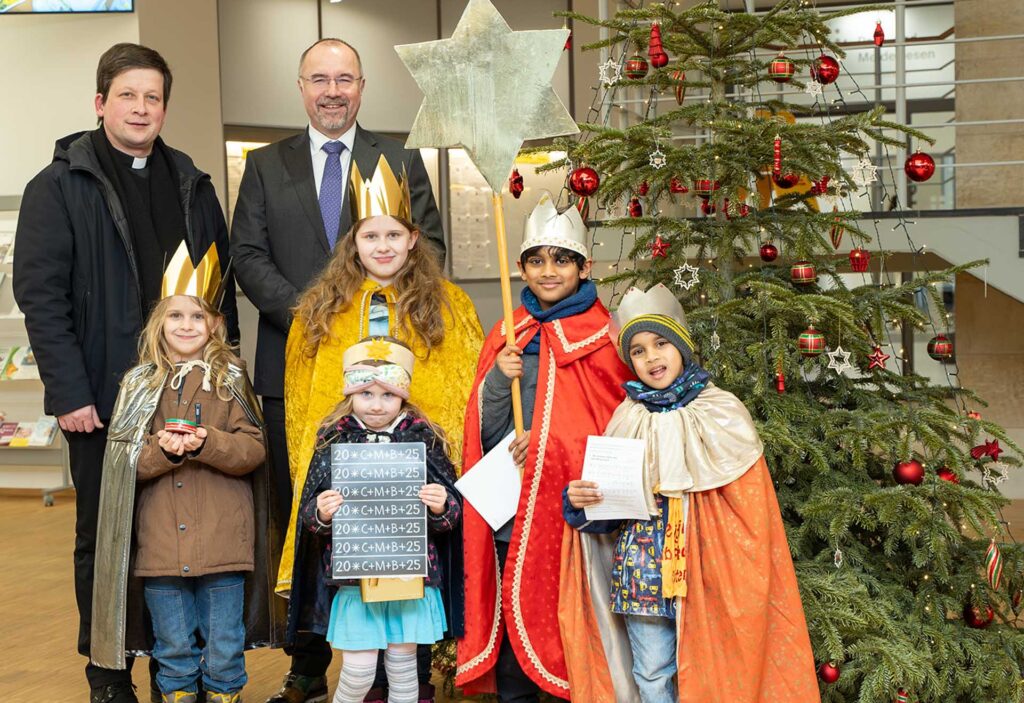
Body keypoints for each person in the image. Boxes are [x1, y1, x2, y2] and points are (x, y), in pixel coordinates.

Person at [13, 43, 237, 703]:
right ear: (100, 102)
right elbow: (42, 295)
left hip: (190, 392)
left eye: (153, 97)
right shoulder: (58, 186)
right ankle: (108, 671)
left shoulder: (191, 182)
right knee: (105, 538)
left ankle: (183, 667)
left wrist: (226, 382)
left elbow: (220, 293)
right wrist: (69, 392)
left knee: (187, 530)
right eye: (128, 95)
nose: (142, 108)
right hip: (104, 397)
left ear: (165, 106)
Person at [230, 38, 445, 702]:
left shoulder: (401, 158)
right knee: (309, 512)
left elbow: (431, 242)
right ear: (300, 87)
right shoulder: (266, 165)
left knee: (389, 509)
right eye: (319, 79)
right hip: (293, 373)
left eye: (343, 79)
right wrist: (315, 316)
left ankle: (396, 659)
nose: (331, 90)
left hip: (388, 379)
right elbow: (247, 251)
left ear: (362, 86)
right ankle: (306, 660)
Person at [559, 283, 820, 702]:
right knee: (651, 672)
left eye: (661, 343)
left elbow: (751, 507)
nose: (651, 358)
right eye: (639, 351)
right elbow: (609, 511)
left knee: (710, 667)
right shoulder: (627, 416)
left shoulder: (722, 411)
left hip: (709, 572)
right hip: (641, 570)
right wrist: (580, 504)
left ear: (681, 345)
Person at [282, 162, 480, 702]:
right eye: (371, 235)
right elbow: (304, 399)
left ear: (414, 239)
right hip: (352, 494)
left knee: (408, 620)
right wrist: (316, 472)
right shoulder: (321, 310)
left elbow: (463, 385)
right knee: (361, 633)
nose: (384, 245)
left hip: (418, 484)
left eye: (394, 234)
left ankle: (411, 686)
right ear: (353, 241)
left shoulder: (451, 306)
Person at [456, 192, 633, 702]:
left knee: (568, 623)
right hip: (514, 511)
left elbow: (617, 428)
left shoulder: (605, 337)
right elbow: (481, 433)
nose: (548, 271)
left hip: (572, 518)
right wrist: (497, 379)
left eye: (561, 260)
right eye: (536, 261)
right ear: (522, 267)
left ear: (584, 266)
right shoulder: (510, 333)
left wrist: (551, 444)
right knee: (516, 625)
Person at [90, 242, 282, 703]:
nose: (186, 326)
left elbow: (253, 449)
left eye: (198, 317)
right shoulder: (138, 384)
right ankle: (176, 694)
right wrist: (165, 452)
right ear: (159, 322)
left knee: (223, 641)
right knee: (172, 642)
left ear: (216, 324)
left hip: (223, 542)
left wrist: (207, 443)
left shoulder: (231, 379)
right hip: (158, 543)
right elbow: (123, 464)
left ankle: (223, 693)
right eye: (176, 316)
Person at [287, 337, 463, 703]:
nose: (377, 406)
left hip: (412, 578)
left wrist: (440, 506)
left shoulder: (424, 438)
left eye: (387, 395)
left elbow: (452, 518)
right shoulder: (333, 438)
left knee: (404, 671)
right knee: (358, 672)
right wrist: (321, 512)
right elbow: (310, 519)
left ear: (403, 396)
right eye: (366, 395)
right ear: (350, 394)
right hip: (355, 580)